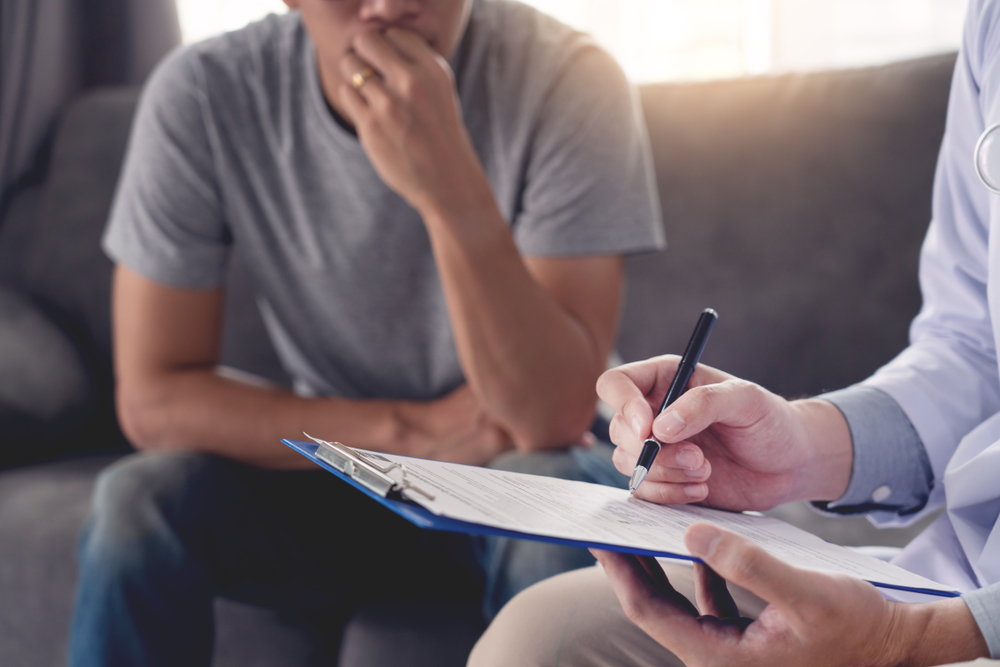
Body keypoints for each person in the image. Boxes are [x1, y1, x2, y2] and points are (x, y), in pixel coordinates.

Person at [67, 0, 664, 664]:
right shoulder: (204, 93)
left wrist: (448, 187)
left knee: (549, 492)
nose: (386, 7)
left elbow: (547, 415)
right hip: (342, 479)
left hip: (521, 467)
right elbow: (153, 400)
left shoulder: (568, 78)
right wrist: (410, 432)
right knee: (138, 502)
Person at [468, 0, 1000, 665]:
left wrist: (910, 640)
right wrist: (798, 445)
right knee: (546, 635)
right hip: (961, 574)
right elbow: (976, 344)